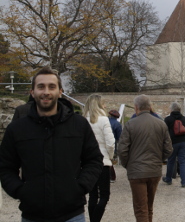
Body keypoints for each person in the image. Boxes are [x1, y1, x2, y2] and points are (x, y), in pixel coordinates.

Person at [0, 66, 103, 222]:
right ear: (32, 92)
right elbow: (5, 166)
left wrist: (80, 187)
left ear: (60, 92)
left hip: (72, 213)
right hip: (32, 214)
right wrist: (20, 191)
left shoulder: (79, 125)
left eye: (51, 86)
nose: (46, 92)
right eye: (41, 87)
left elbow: (94, 160)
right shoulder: (17, 129)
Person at [118, 95, 172, 222]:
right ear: (150, 106)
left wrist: (128, 164)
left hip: (136, 171)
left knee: (141, 209)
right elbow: (168, 149)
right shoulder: (161, 124)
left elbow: (122, 149)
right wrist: (159, 159)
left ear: (136, 107)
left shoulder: (130, 124)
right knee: (149, 207)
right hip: (154, 170)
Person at [83, 95, 115, 222]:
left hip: (88, 161)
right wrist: (110, 157)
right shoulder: (104, 120)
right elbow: (110, 142)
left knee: (93, 195)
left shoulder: (83, 120)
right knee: (104, 195)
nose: (105, 106)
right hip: (103, 160)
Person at [162, 102, 185, 187]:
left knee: (171, 161)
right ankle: (184, 182)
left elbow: (164, 132)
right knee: (183, 162)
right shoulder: (184, 119)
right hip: (184, 142)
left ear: (171, 109)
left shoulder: (168, 119)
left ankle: (168, 179)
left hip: (173, 142)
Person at [108, 109, 122, 182]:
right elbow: (119, 137)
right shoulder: (117, 124)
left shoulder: (105, 121)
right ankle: (111, 177)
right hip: (112, 143)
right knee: (110, 160)